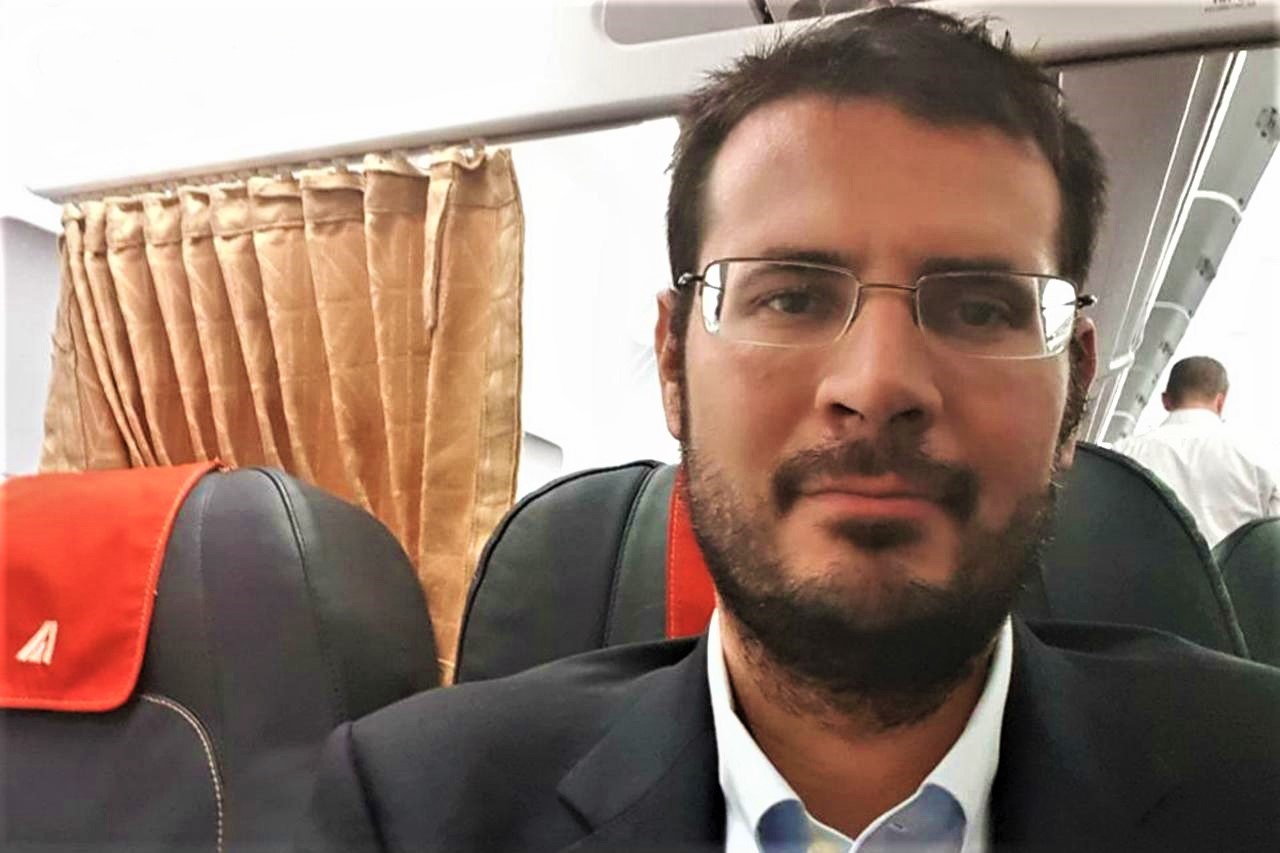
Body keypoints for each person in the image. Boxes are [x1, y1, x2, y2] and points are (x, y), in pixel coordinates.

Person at [297, 8, 1280, 852]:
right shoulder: (412, 807)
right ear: (674, 364)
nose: (878, 383)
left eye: (981, 308)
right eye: (792, 297)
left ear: (1076, 388)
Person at [1115, 355, 1280, 545]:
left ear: (1166, 400)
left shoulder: (1124, 452)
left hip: (1139, 563)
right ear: (1221, 401)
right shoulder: (1257, 457)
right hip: (1228, 565)